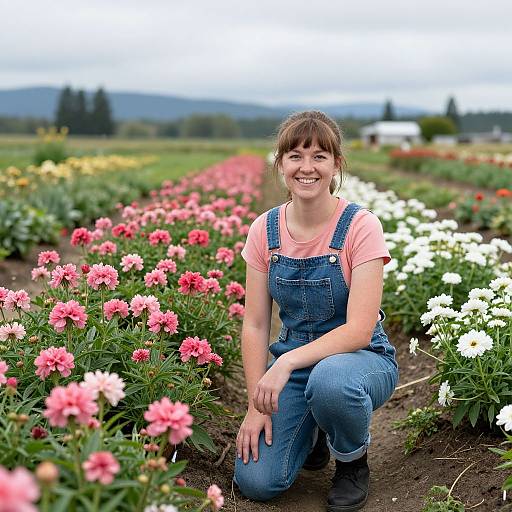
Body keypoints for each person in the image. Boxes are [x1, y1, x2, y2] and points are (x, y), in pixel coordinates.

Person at [233, 110, 399, 512]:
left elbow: (359, 330)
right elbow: (255, 324)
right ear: (280, 163)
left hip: (359, 359)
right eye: (295, 156)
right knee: (256, 481)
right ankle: (314, 433)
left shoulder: (359, 226)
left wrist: (286, 362)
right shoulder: (265, 230)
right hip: (296, 359)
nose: (307, 167)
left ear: (336, 164)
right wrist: (256, 406)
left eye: (320, 156)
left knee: (330, 381)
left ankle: (351, 462)